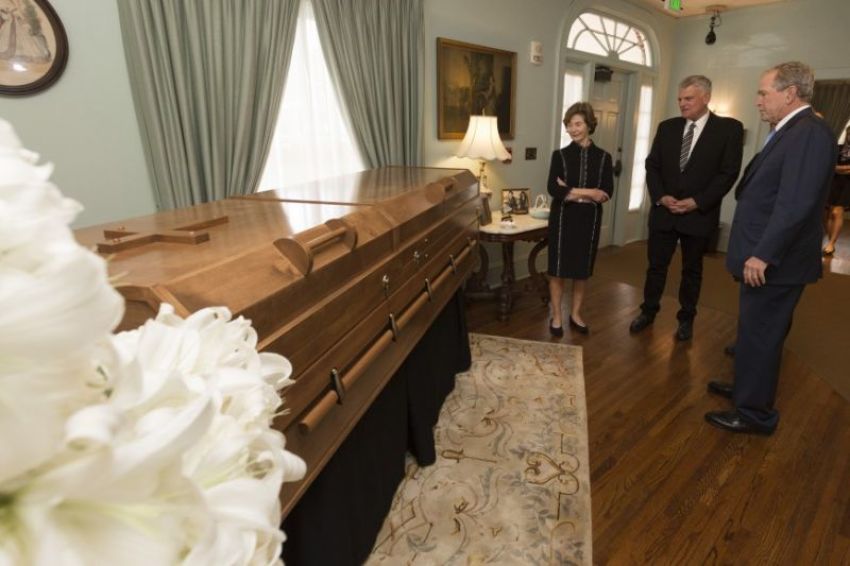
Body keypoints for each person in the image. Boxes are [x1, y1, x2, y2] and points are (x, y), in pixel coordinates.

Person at [705, 62, 837, 435]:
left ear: (790, 93)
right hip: (768, 255)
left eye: (764, 93)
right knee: (753, 332)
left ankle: (754, 414)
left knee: (762, 336)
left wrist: (763, 253)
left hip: (775, 261)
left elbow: (795, 205)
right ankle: (746, 388)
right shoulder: (791, 129)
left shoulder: (809, 133)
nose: (758, 100)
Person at [629, 76, 744, 341]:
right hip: (664, 213)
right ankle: (648, 312)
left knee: (692, 271)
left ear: (706, 97)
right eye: (680, 99)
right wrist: (660, 196)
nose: (682, 103)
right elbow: (652, 165)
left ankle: (686, 320)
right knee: (656, 267)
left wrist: (698, 201)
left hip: (699, 215)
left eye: (688, 98)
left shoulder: (729, 129)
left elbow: (728, 174)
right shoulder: (667, 127)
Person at [546, 102, 613, 336]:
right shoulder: (560, 156)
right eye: (569, 125)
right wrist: (588, 192)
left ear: (588, 124)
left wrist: (571, 190)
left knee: (581, 271)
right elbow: (553, 190)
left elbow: (606, 192)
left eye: (578, 124)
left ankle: (575, 314)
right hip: (563, 219)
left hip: (589, 220)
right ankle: (556, 316)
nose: (573, 129)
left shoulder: (604, 157)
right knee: (557, 270)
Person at [823, 124, 850, 255]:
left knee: (837, 212)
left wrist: (839, 168)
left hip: (848, 185)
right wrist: (843, 169)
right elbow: (830, 165)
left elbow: (836, 167)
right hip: (833, 182)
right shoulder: (837, 148)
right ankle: (830, 241)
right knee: (829, 213)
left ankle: (832, 242)